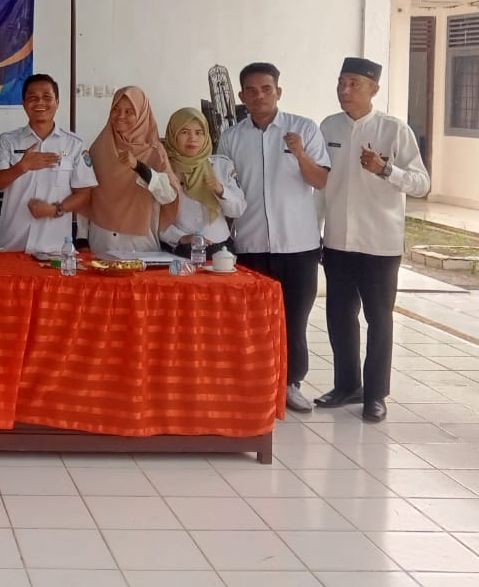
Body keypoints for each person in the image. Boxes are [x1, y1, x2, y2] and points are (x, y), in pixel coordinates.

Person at [317, 56, 430, 423]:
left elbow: (422, 183)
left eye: (354, 83)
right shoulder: (328, 126)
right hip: (337, 240)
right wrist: (315, 230)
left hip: (380, 244)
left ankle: (376, 394)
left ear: (374, 89)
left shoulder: (394, 130)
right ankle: (346, 385)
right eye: (341, 82)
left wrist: (386, 169)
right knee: (339, 316)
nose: (344, 90)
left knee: (379, 319)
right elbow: (321, 186)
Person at [217, 62, 330, 413]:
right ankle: (254, 385)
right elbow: (226, 190)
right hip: (250, 243)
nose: (259, 96)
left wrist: (300, 153)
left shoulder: (303, 129)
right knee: (252, 321)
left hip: (298, 245)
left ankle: (291, 384)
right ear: (241, 96)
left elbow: (320, 180)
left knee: (293, 319)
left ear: (278, 91)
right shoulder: (231, 137)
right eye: (251, 91)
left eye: (266, 89)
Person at [0, 73, 96, 254]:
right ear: (24, 103)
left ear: (57, 102)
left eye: (47, 97)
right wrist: (22, 167)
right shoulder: (8, 140)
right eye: (32, 98)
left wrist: (55, 209)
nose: (40, 102)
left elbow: (84, 194)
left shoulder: (74, 144)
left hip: (55, 248)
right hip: (13, 245)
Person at [84, 86, 178, 255]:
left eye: (129, 112)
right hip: (102, 239)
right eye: (116, 109)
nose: (121, 116)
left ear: (141, 115)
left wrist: (139, 167)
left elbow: (169, 195)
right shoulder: (99, 147)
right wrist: (81, 237)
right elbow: (86, 193)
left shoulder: (154, 151)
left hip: (140, 244)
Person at [159, 107, 246, 257]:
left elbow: (237, 210)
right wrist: (181, 237)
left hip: (220, 251)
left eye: (199, 133)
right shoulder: (164, 170)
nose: (192, 138)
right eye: (184, 132)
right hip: (180, 251)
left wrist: (220, 190)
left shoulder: (221, 165)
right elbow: (155, 219)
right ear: (173, 135)